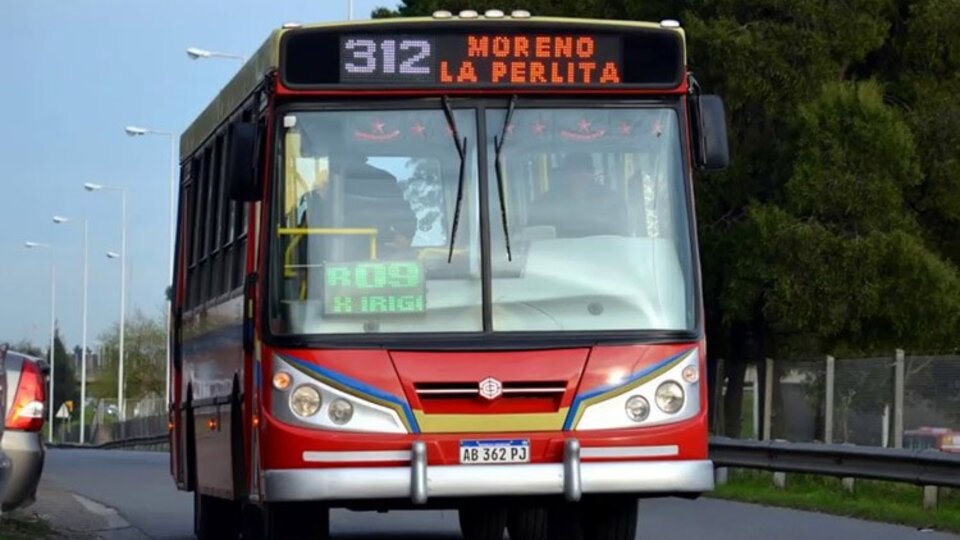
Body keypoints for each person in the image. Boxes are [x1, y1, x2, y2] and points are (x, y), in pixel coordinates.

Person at [527, 152, 629, 237]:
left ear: (593, 173)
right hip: (556, 257)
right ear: (566, 173)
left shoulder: (612, 201)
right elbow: (533, 237)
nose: (583, 175)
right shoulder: (545, 203)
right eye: (577, 170)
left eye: (588, 170)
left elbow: (623, 234)